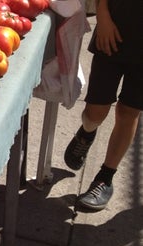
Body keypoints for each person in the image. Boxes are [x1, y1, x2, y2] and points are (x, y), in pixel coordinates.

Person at [64, 0, 142, 211]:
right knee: (94, 113)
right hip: (114, 31)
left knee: (129, 111)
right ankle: (87, 133)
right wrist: (103, 15)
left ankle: (105, 178)